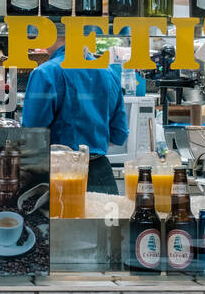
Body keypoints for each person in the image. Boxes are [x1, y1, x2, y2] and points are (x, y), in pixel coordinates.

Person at [21, 24, 128, 194]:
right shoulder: (108, 72)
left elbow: (32, 136)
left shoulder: (45, 73)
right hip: (100, 173)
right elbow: (119, 134)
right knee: (101, 221)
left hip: (60, 175)